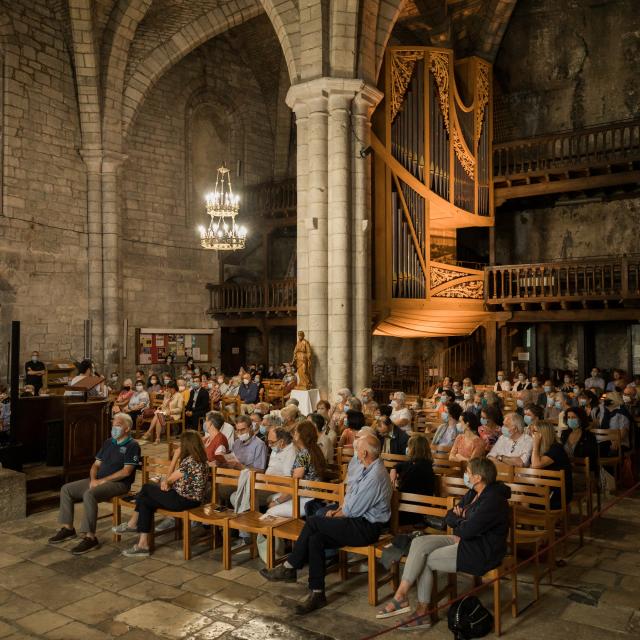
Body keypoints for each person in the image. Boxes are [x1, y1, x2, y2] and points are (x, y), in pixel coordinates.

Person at [261, 433, 392, 615]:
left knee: (314, 521)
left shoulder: (376, 475)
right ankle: (317, 593)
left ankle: (290, 567)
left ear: (364, 453)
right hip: (354, 521)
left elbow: (354, 509)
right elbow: (350, 497)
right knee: (316, 539)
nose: (354, 453)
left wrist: (338, 514)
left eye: (356, 450)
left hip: (366, 528)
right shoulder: (366, 468)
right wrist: (337, 511)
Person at [377, 458, 511, 630]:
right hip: (463, 539)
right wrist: (460, 520)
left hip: (481, 550)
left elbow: (468, 530)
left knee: (424, 559)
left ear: (478, 477)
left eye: (468, 472)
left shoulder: (493, 499)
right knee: (419, 542)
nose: (466, 475)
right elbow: (449, 516)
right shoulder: (473, 492)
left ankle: (421, 611)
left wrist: (461, 520)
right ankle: (402, 595)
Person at [49, 413, 140, 554]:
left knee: (89, 494)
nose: (114, 428)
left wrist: (101, 481)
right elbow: (96, 465)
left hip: (119, 484)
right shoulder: (109, 442)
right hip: (98, 481)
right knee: (66, 489)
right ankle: (68, 529)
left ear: (127, 428)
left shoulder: (132, 445)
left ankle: (90, 538)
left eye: (118, 425)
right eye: (113, 424)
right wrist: (93, 480)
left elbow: (126, 472)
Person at [121, 430, 209, 557]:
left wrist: (175, 457)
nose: (180, 446)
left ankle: (133, 523)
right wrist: (167, 483)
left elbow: (169, 479)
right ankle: (143, 544)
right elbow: (171, 482)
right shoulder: (200, 460)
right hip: (185, 498)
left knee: (146, 487)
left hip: (183, 501)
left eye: (181, 444)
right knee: (145, 501)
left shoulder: (191, 462)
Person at [265, 420, 327, 517]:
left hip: (306, 498)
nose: (293, 435)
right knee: (270, 499)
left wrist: (277, 502)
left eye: (295, 433)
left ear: (300, 435)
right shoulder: (315, 449)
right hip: (315, 495)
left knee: (270, 511)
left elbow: (294, 484)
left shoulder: (303, 454)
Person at [389, 434, 435, 525]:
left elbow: (403, 490)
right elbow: (400, 465)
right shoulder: (416, 462)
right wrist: (394, 469)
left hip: (414, 511)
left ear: (414, 449)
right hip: (410, 506)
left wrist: (395, 486)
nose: (407, 449)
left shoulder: (419, 468)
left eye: (408, 446)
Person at [530, 421, 573, 510]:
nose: (533, 435)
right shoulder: (542, 448)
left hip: (558, 493)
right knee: (520, 494)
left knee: (526, 500)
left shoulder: (556, 448)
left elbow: (535, 465)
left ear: (543, 433)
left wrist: (535, 445)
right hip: (545, 489)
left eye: (535, 432)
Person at [560, 406, 598, 491]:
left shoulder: (588, 436)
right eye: (568, 417)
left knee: (563, 482)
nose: (570, 420)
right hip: (566, 470)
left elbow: (591, 458)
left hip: (583, 471)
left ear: (581, 419)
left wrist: (575, 463)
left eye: (573, 417)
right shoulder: (564, 433)